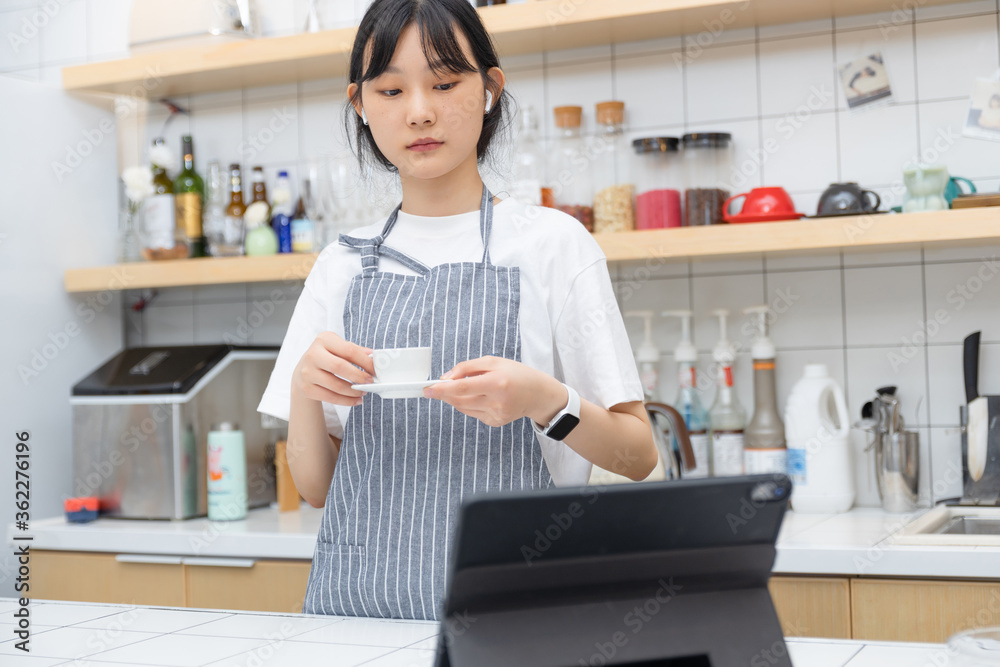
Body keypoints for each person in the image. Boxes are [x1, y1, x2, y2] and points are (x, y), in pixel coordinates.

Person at [257, 0, 656, 622]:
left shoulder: (553, 243)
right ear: (360, 105)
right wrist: (306, 392)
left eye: (445, 83)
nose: (420, 111)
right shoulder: (340, 265)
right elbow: (314, 487)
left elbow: (637, 455)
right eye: (390, 90)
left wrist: (545, 400)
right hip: (358, 613)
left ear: (490, 88)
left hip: (514, 618)